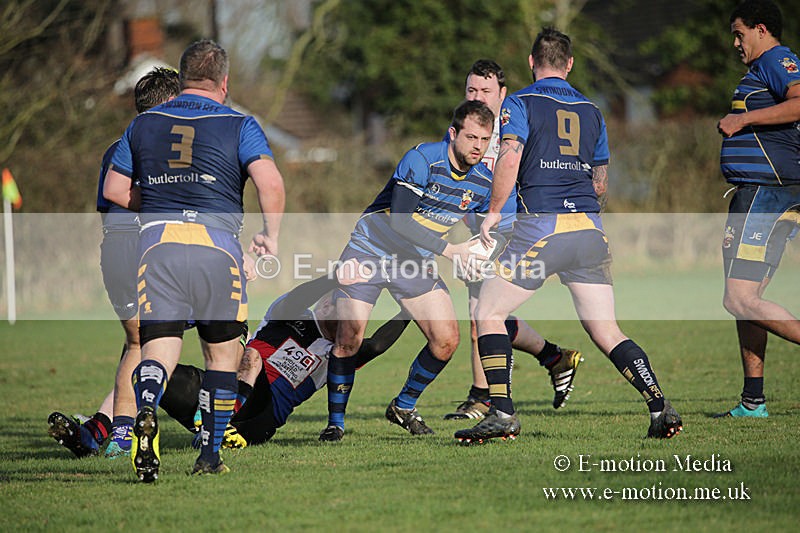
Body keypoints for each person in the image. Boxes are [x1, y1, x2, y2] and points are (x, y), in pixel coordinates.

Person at [456, 27, 683, 444]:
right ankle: (659, 405)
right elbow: (600, 184)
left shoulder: (521, 103)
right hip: (590, 231)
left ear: (531, 62)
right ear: (570, 64)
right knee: (607, 330)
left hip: (543, 227)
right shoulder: (593, 111)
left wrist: (491, 214)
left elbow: (509, 158)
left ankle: (502, 413)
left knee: (487, 313)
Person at [104, 39, 285, 481]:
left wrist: (163, 204)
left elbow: (113, 189)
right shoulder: (240, 123)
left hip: (158, 248)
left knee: (159, 347)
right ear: (224, 82)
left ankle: (146, 408)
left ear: (181, 79)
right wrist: (270, 234)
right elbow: (270, 182)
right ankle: (208, 455)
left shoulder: (144, 123)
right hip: (216, 247)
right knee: (222, 357)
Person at [319, 100, 495, 442]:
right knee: (349, 337)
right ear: (452, 133)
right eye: (472, 137)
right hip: (370, 249)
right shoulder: (422, 159)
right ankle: (335, 423)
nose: (478, 146)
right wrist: (451, 250)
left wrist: (488, 250)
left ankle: (403, 406)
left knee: (446, 341)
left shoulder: (483, 181)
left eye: (485, 140)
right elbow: (400, 220)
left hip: (413, 261)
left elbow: (485, 230)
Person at [47, 67, 181, 459]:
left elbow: (106, 205)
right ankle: (126, 433)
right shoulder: (161, 143)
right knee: (159, 342)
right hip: (149, 247)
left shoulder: (117, 145)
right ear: (169, 104)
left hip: (114, 248)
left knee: (137, 341)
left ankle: (102, 428)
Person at [443, 59, 582, 421]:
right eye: (472, 90)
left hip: (511, 231)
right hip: (474, 231)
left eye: (486, 91)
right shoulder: (461, 129)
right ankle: (554, 357)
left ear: (502, 94)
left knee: (480, 316)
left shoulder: (513, 125)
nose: (478, 97)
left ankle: (484, 398)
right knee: (491, 315)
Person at [159, 274, 411, 446]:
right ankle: (123, 427)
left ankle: (218, 424)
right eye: (335, 300)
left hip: (260, 415)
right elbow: (299, 296)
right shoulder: (290, 313)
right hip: (219, 389)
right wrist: (335, 277)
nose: (335, 308)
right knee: (158, 373)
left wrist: (409, 309)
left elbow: (376, 345)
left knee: (252, 355)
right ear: (324, 300)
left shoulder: (341, 351)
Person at [715, 0, 800, 418]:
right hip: (756, 194)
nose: (735, 42)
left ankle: (753, 400)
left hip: (767, 194)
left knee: (739, 298)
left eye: (739, 32)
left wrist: (744, 121)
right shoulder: (760, 69)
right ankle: (753, 400)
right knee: (749, 298)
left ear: (761, 29)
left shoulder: (777, 59)